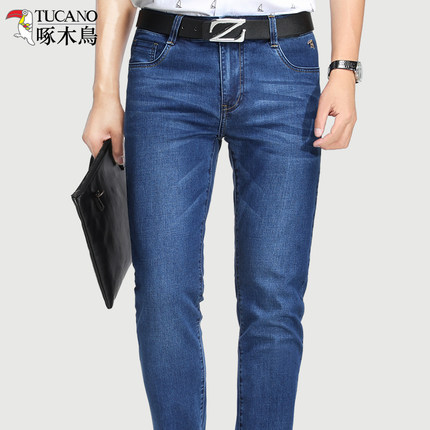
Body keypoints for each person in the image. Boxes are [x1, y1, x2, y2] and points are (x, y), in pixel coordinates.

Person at [82, 0, 365, 428]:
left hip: (283, 62)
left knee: (274, 298)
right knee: (162, 293)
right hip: (165, 63)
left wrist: (344, 68)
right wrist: (104, 91)